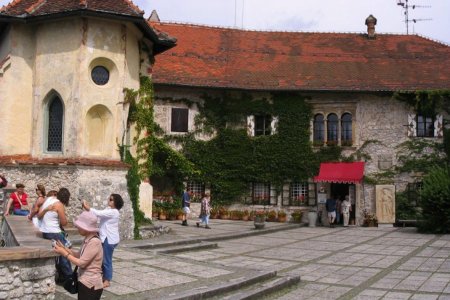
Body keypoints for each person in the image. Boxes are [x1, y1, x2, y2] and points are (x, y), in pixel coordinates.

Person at [53, 211, 103, 300]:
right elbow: (79, 255)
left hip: (91, 284)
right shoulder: (88, 239)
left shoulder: (94, 242)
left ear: (87, 228)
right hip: (85, 281)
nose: (77, 227)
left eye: (80, 226)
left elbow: (81, 263)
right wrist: (64, 248)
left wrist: (64, 253)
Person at [82, 194, 124, 288]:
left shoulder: (114, 212)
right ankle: (102, 276)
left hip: (109, 239)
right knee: (101, 258)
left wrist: (88, 208)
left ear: (116, 202)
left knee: (106, 260)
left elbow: (99, 213)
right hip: (105, 237)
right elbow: (98, 215)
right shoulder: (108, 209)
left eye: (111, 199)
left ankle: (107, 280)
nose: (109, 200)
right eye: (109, 198)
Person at [38, 187, 73, 283]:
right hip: (54, 232)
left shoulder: (49, 199)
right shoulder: (59, 205)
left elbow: (39, 216)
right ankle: (69, 277)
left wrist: (47, 210)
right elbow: (64, 222)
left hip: (45, 232)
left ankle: (62, 275)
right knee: (65, 254)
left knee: (59, 253)